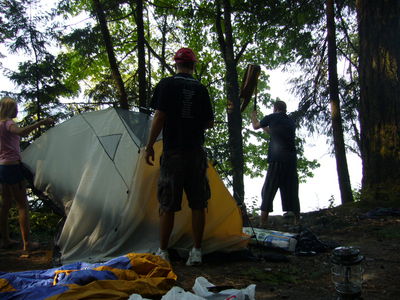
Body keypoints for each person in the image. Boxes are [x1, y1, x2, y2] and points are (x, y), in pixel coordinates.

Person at [144, 48, 214, 266]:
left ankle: (163, 252)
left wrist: (149, 145)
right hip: (195, 153)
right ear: (193, 66)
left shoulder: (166, 85)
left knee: (168, 203)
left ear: (176, 64)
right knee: (198, 203)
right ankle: (196, 252)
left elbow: (160, 116)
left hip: (173, 152)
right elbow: (209, 122)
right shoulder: (201, 89)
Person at [0, 96, 54, 251]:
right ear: (9, 109)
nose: (17, 110)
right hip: (12, 168)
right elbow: (22, 132)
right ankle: (27, 244)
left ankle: (5, 240)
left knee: (5, 204)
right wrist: (41, 122)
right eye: (15, 108)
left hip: (2, 167)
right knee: (22, 205)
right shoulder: (8, 123)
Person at [251, 100, 300, 227]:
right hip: (291, 160)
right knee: (292, 189)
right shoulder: (290, 122)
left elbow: (255, 126)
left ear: (275, 108)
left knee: (269, 188)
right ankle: (297, 221)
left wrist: (254, 117)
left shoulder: (272, 117)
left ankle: (263, 222)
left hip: (277, 158)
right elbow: (272, 132)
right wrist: (264, 126)